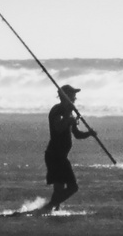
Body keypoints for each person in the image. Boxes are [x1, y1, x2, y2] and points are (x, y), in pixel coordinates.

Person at [40, 83, 93, 213]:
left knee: (59, 190)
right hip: (55, 155)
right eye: (73, 96)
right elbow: (58, 128)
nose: (75, 99)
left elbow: (77, 135)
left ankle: (53, 211)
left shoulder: (69, 114)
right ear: (65, 97)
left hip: (60, 156)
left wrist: (89, 133)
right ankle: (48, 207)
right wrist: (69, 117)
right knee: (72, 187)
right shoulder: (57, 111)